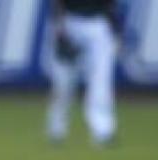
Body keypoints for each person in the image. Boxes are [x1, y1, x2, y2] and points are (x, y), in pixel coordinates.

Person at [46, 0, 121, 146]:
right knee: (63, 82)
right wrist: (60, 29)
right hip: (70, 22)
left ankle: (103, 132)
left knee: (101, 80)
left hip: (99, 24)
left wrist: (115, 30)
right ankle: (56, 130)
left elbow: (111, 5)